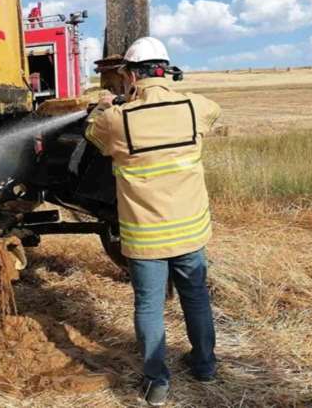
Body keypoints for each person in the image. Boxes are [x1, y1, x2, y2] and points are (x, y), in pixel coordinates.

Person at [85, 37, 221, 406]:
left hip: (146, 236)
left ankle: (157, 384)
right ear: (166, 70)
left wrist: (106, 105)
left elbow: (93, 136)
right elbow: (214, 113)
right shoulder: (196, 107)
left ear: (130, 76)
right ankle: (205, 366)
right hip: (191, 230)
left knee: (148, 306)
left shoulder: (117, 119)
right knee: (196, 298)